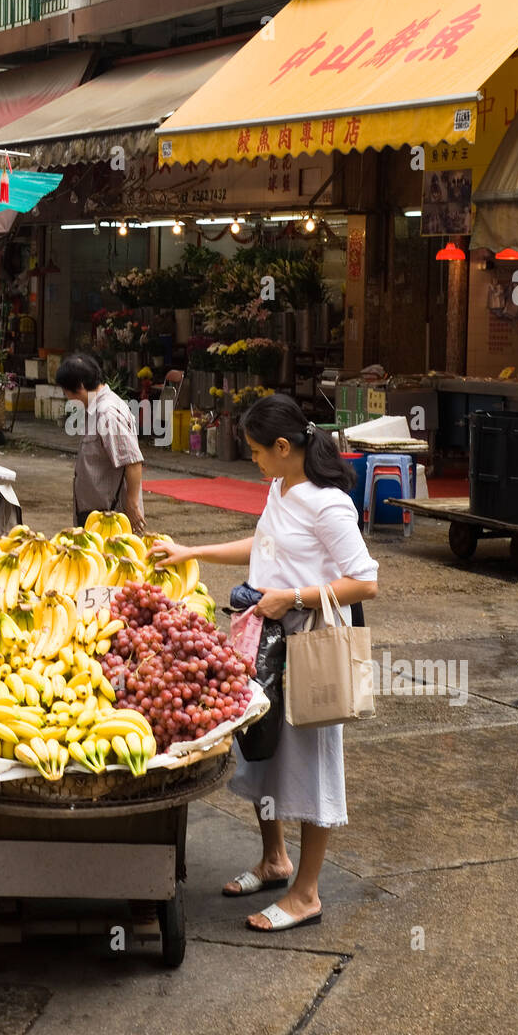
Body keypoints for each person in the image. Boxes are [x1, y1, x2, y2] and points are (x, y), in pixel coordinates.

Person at [150, 394, 378, 934]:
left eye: (256, 451)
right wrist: (193, 552)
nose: (251, 460)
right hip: (267, 634)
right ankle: (275, 859)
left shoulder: (329, 503)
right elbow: (265, 544)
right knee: (261, 745)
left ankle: (307, 893)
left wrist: (292, 597)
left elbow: (365, 581)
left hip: (310, 644)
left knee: (312, 759)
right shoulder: (281, 486)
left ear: (284, 446)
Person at [56, 352, 145, 533]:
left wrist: (133, 503)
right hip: (95, 514)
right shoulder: (95, 408)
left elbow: (133, 461)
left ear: (79, 387)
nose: (67, 398)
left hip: (110, 519)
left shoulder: (107, 413)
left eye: (66, 392)